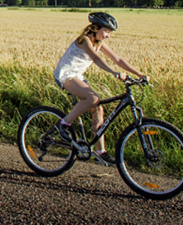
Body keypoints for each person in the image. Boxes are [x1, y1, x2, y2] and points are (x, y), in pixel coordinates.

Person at [53, 12, 148, 164]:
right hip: (66, 75)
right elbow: (96, 59)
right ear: (96, 28)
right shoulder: (84, 40)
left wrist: (139, 74)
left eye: (110, 33)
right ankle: (63, 124)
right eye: (107, 31)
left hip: (78, 75)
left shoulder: (99, 43)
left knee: (97, 108)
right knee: (93, 98)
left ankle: (100, 152)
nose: (108, 35)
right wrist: (114, 73)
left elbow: (118, 59)